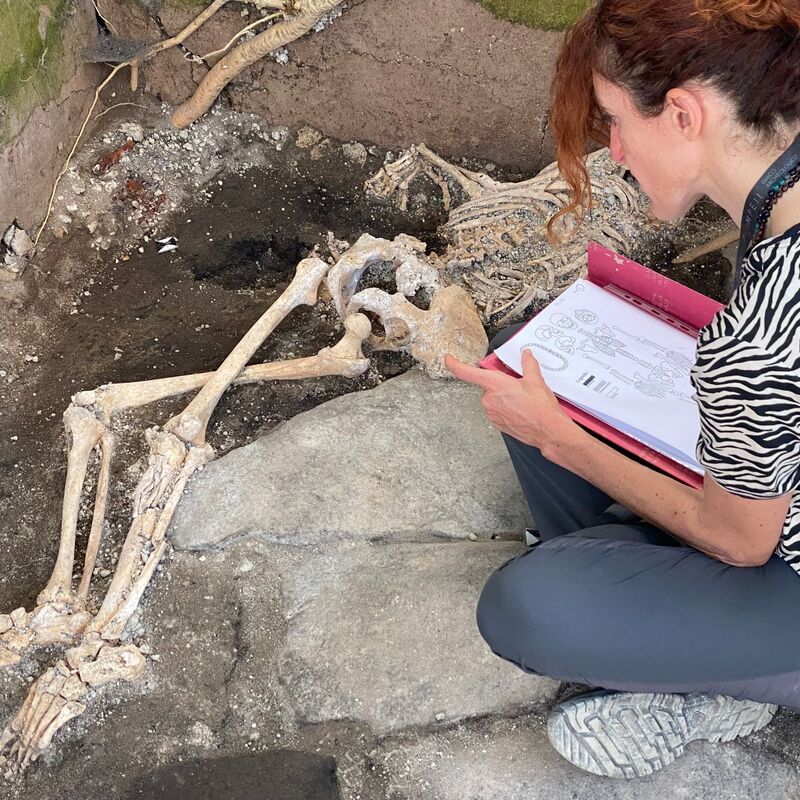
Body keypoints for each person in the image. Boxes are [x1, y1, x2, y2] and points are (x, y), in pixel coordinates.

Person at [445, 0, 800, 779]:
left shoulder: (761, 339)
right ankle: (649, 609)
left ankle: (703, 671)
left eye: (614, 120)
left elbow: (745, 541)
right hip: (775, 488)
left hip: (772, 547)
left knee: (528, 608)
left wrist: (561, 439)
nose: (612, 150)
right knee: (532, 357)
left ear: (683, 114)